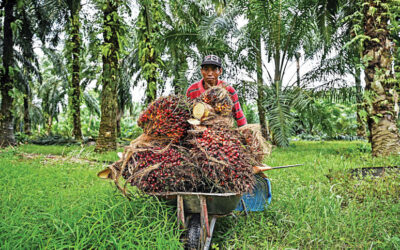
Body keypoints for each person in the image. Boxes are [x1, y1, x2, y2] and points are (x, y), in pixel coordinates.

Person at [186, 54, 247, 128]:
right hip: (198, 133)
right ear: (201, 71)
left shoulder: (228, 90)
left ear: (220, 71)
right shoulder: (192, 90)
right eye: (206, 69)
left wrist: (246, 132)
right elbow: (188, 115)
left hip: (222, 133)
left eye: (214, 69)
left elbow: (239, 116)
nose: (210, 73)